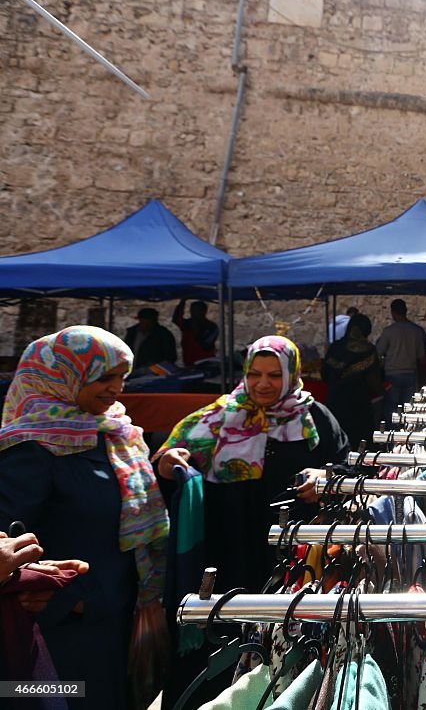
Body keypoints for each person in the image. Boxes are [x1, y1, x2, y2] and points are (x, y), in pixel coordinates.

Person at [0, 326, 169, 710]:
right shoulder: (30, 448)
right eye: (104, 377)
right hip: (58, 636)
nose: (116, 389)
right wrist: (65, 602)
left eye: (121, 378)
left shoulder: (114, 434)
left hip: (114, 622)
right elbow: (4, 537)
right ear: (61, 376)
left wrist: (169, 474)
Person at [154, 335, 346, 591]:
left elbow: (345, 467)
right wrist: (168, 465)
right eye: (254, 374)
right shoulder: (218, 417)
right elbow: (167, 464)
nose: (262, 384)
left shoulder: (314, 419)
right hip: (230, 546)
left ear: (291, 374)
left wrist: (325, 477)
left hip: (295, 550)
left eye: (275, 375)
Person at [322, 314, 384, 451]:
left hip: (335, 403)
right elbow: (374, 382)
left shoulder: (335, 348)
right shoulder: (369, 351)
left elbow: (324, 374)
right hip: (358, 407)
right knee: (358, 448)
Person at [375, 299, 426, 421]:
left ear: (393, 312)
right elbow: (422, 357)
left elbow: (378, 352)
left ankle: (391, 436)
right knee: (408, 410)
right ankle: (406, 436)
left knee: (392, 410)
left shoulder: (389, 331)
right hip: (411, 374)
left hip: (392, 374)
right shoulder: (417, 331)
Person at [172, 299, 219, 366]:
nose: (194, 312)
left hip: (206, 362)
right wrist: (183, 301)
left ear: (204, 311)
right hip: (189, 362)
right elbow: (176, 319)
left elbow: (206, 345)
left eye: (197, 310)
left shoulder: (211, 327)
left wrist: (197, 331)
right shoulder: (187, 323)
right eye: (192, 310)